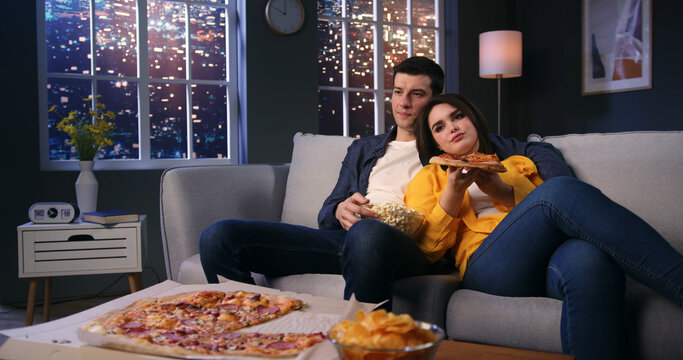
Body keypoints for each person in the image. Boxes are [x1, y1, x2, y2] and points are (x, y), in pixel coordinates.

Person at [199, 56, 573, 309]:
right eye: (398, 91)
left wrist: (563, 196)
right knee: (219, 237)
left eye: (417, 94)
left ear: (435, 99)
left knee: (369, 236)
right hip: (352, 239)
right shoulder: (365, 149)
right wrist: (340, 211)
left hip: (411, 247)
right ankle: (248, 328)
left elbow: (537, 150)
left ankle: (368, 341)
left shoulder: (454, 145)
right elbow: (327, 210)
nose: (403, 102)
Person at [406, 93, 683, 360]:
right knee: (559, 190)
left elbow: (556, 217)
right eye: (439, 127)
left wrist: (501, 191)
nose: (452, 127)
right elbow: (428, 250)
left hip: (550, 260)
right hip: (490, 268)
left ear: (474, 120)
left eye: (458, 116)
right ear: (436, 143)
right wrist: (453, 192)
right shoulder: (429, 178)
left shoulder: (518, 164)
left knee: (590, 260)